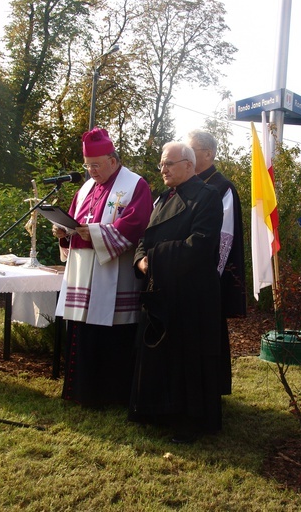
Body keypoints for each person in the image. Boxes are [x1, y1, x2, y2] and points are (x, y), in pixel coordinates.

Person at [128, 141, 223, 443]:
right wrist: (141, 259)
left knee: (186, 358)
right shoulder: (163, 198)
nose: (164, 169)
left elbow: (201, 244)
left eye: (170, 163)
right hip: (160, 288)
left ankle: (188, 420)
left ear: (189, 165)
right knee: (159, 355)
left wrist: (153, 260)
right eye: (162, 164)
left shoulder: (207, 197)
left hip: (190, 294)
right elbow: (146, 236)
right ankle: (155, 409)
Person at [53, 127, 152, 409]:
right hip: (83, 272)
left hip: (113, 274)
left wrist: (93, 233)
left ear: (113, 159)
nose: (91, 171)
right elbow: (75, 220)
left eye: (96, 165)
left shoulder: (135, 185)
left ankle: (108, 395)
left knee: (109, 335)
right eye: (88, 166)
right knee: (82, 331)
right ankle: (80, 392)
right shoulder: (86, 188)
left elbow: (135, 225)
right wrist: (64, 232)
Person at [186, 130, 246, 395]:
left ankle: (210, 389)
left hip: (206, 278)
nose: (186, 156)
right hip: (184, 274)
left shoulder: (222, 187)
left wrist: (208, 279)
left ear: (208, 154)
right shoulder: (186, 184)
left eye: (191, 151)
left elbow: (224, 238)